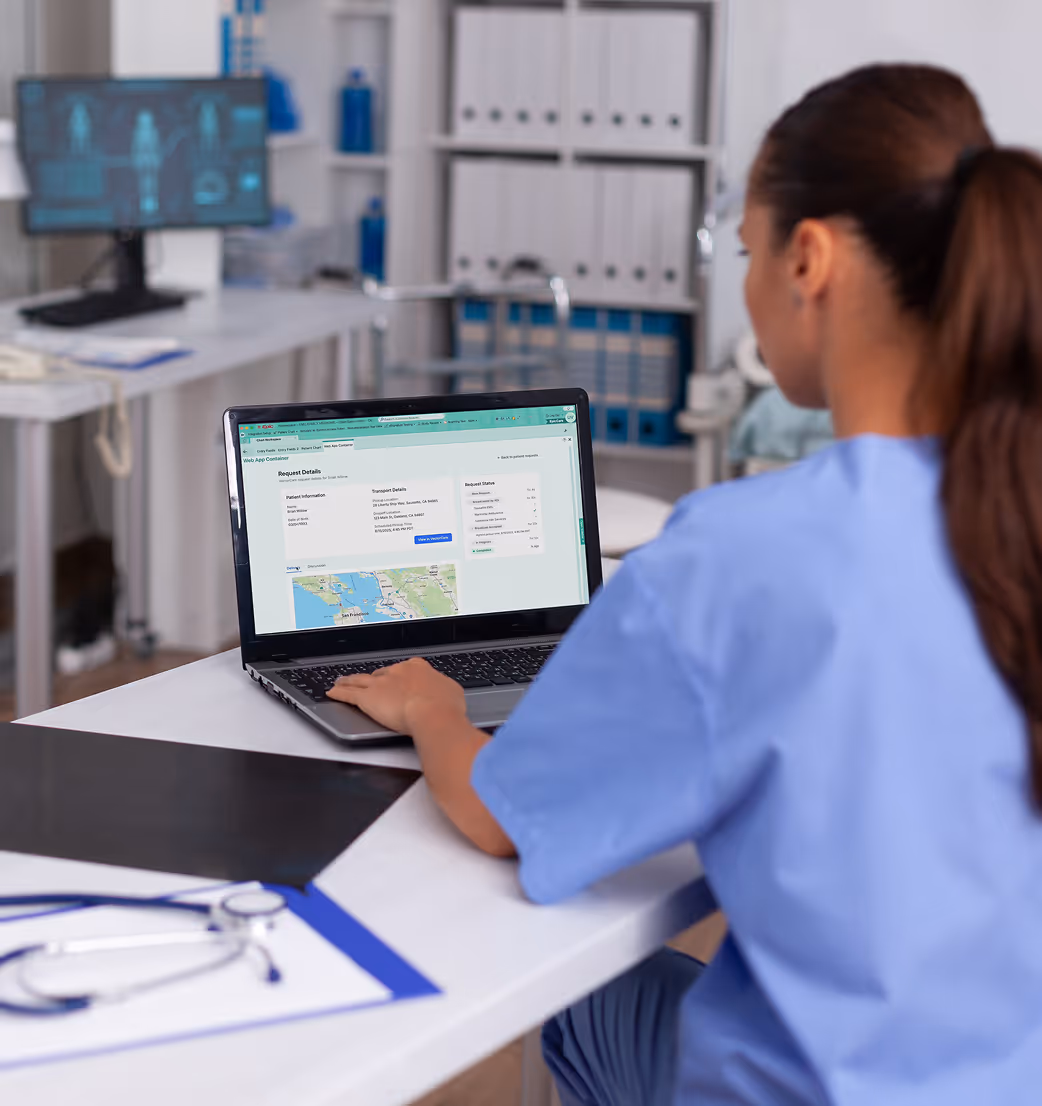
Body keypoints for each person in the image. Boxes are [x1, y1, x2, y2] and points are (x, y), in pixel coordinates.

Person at [328, 63, 1042, 1104]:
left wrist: (433, 707)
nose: (745, 285)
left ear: (809, 260)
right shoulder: (1013, 511)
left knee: (579, 987)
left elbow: (501, 817)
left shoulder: (740, 554)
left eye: (746, 252)